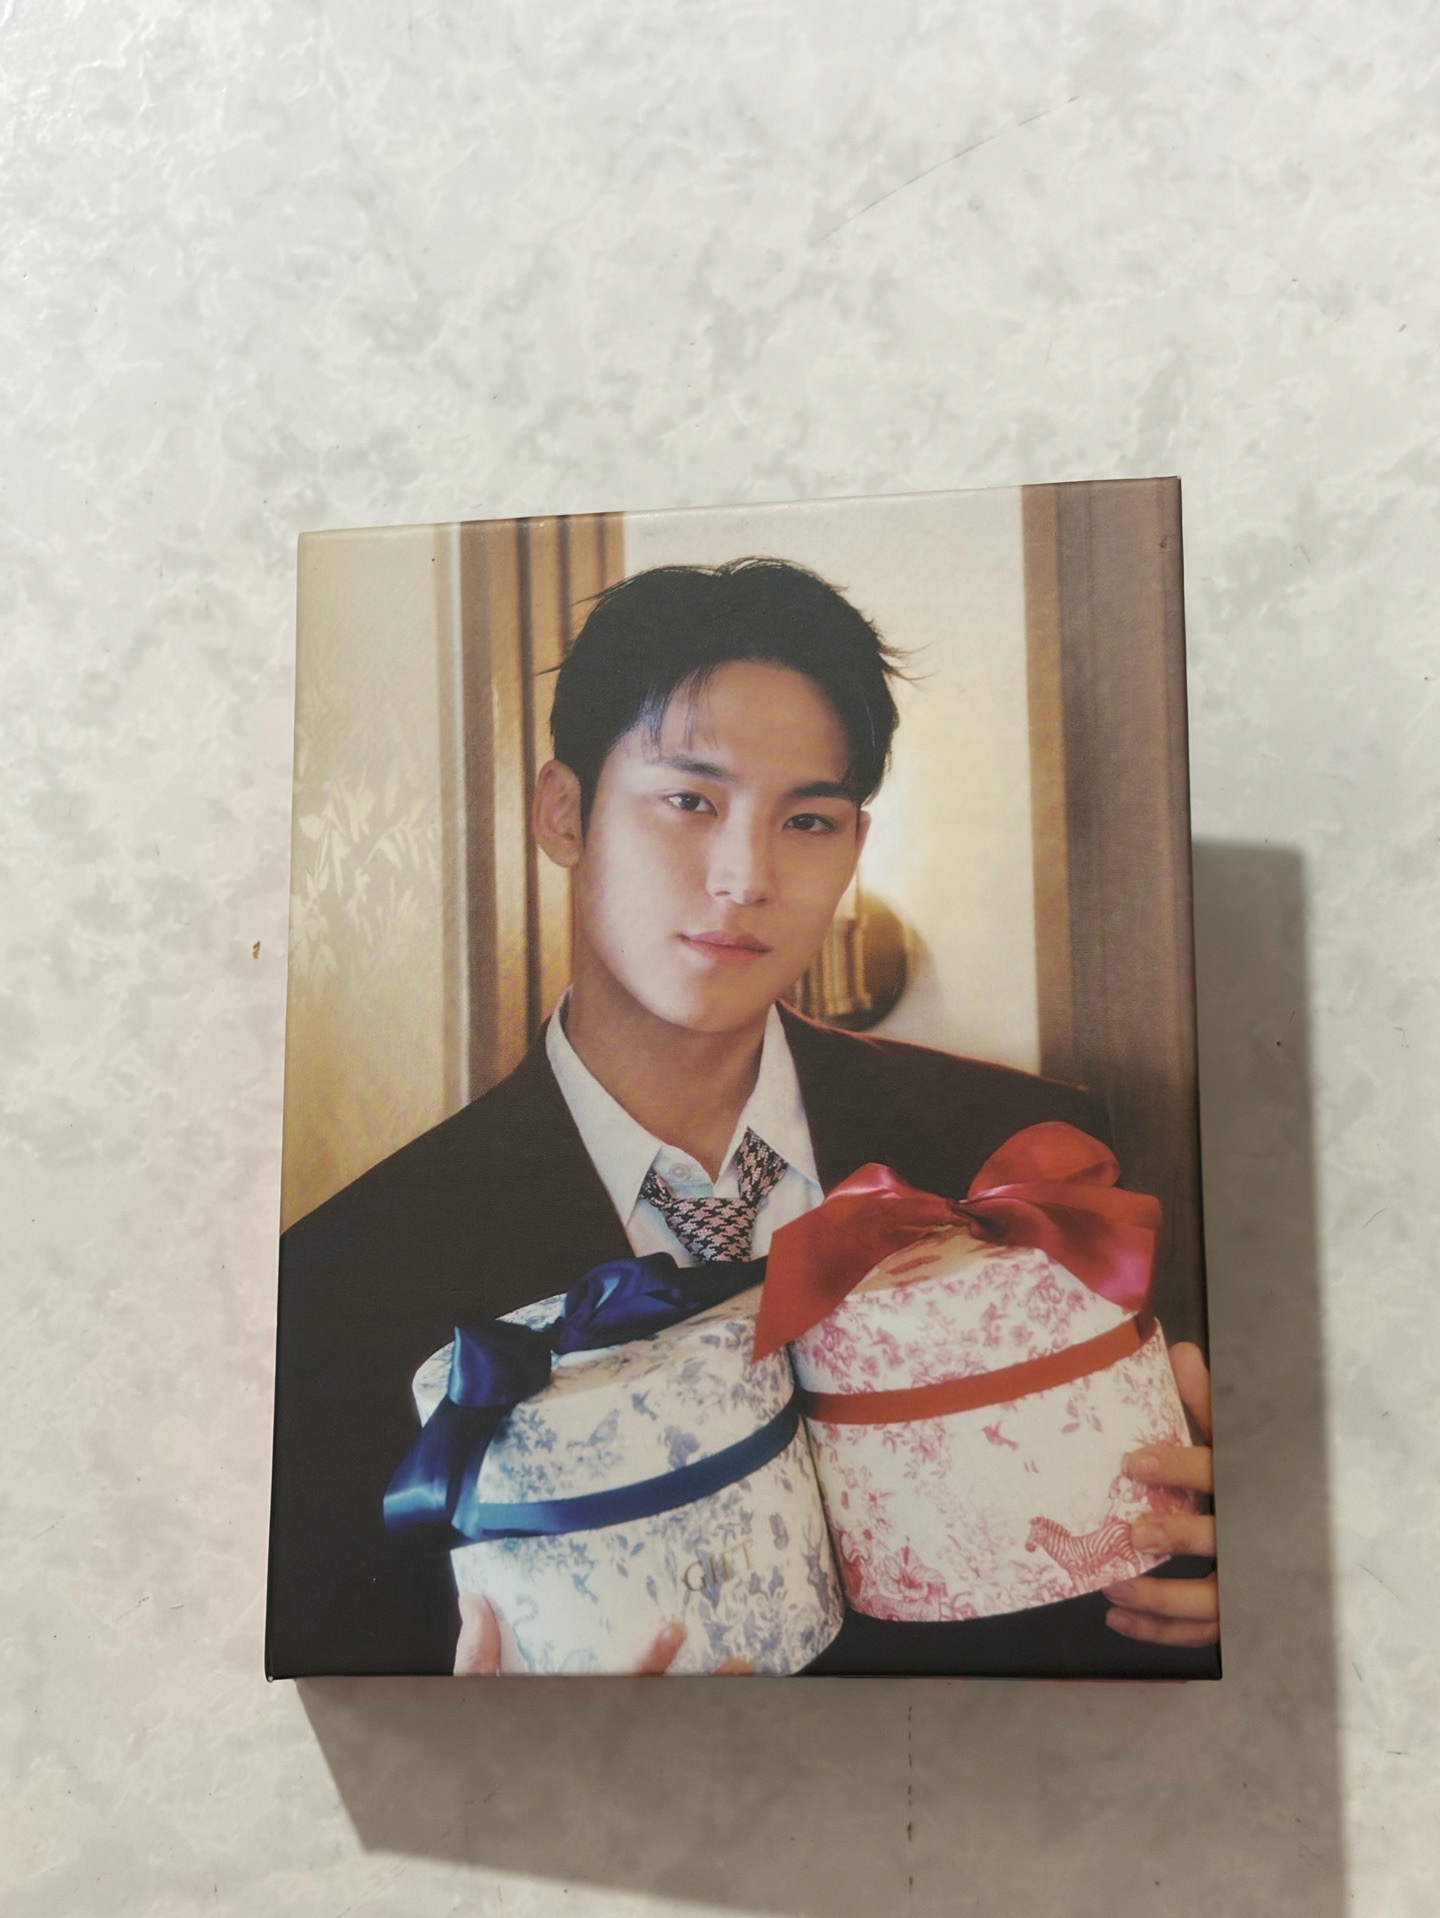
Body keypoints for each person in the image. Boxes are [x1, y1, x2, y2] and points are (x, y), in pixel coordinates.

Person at [266, 560, 1218, 1680]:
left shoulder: (1029, 1152)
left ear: (853, 849)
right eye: (691, 801)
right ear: (563, 812)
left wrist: (1232, 1592)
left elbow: (1147, 1582)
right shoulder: (348, 1278)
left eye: (807, 819)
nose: (745, 877)